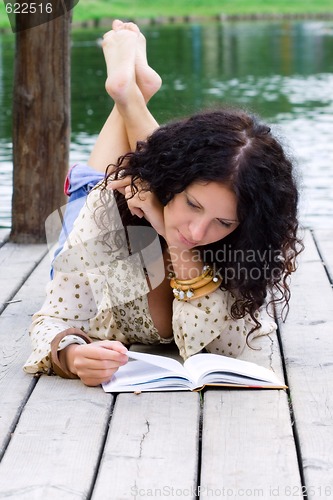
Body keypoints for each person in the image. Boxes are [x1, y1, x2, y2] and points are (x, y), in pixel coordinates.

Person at [24, 20, 302, 387]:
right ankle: (130, 96)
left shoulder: (242, 244)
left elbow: (230, 347)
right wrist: (72, 355)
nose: (199, 231)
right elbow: (53, 318)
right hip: (106, 211)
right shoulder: (108, 210)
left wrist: (172, 238)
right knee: (90, 190)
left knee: (141, 171)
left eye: (224, 222)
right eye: (193, 204)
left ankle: (131, 96)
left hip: (144, 188)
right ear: (172, 186)